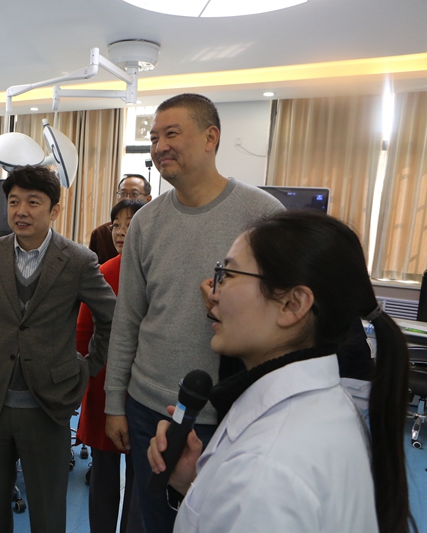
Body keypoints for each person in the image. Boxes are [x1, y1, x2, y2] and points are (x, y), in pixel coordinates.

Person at [148, 210, 417, 533]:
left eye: (228, 274)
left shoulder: (267, 469)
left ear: (293, 304)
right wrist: (192, 484)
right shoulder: (323, 408)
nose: (214, 293)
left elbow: (259, 496)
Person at [103, 93, 284, 532]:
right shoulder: (146, 222)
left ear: (210, 137)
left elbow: (287, 316)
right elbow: (128, 317)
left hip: (227, 411)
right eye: (153, 138)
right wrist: (114, 401)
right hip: (146, 404)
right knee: (150, 518)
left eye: (171, 134)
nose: (159, 146)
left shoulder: (263, 215)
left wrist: (232, 306)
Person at [0, 165, 117, 533]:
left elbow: (111, 318)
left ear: (54, 210)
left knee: (48, 510)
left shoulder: (78, 260)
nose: (21, 211)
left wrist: (85, 368)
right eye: (14, 202)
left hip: (48, 404)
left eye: (33, 202)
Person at [77, 199, 146, 533]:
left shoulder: (154, 271)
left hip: (143, 386)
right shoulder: (103, 272)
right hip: (104, 383)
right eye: (116, 225)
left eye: (129, 224)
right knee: (103, 471)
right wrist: (84, 377)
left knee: (140, 475)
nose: (120, 232)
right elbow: (83, 332)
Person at [89, 175, 152, 265]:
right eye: (122, 194)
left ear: (148, 199)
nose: (127, 198)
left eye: (134, 194)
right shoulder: (100, 233)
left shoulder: (155, 232)